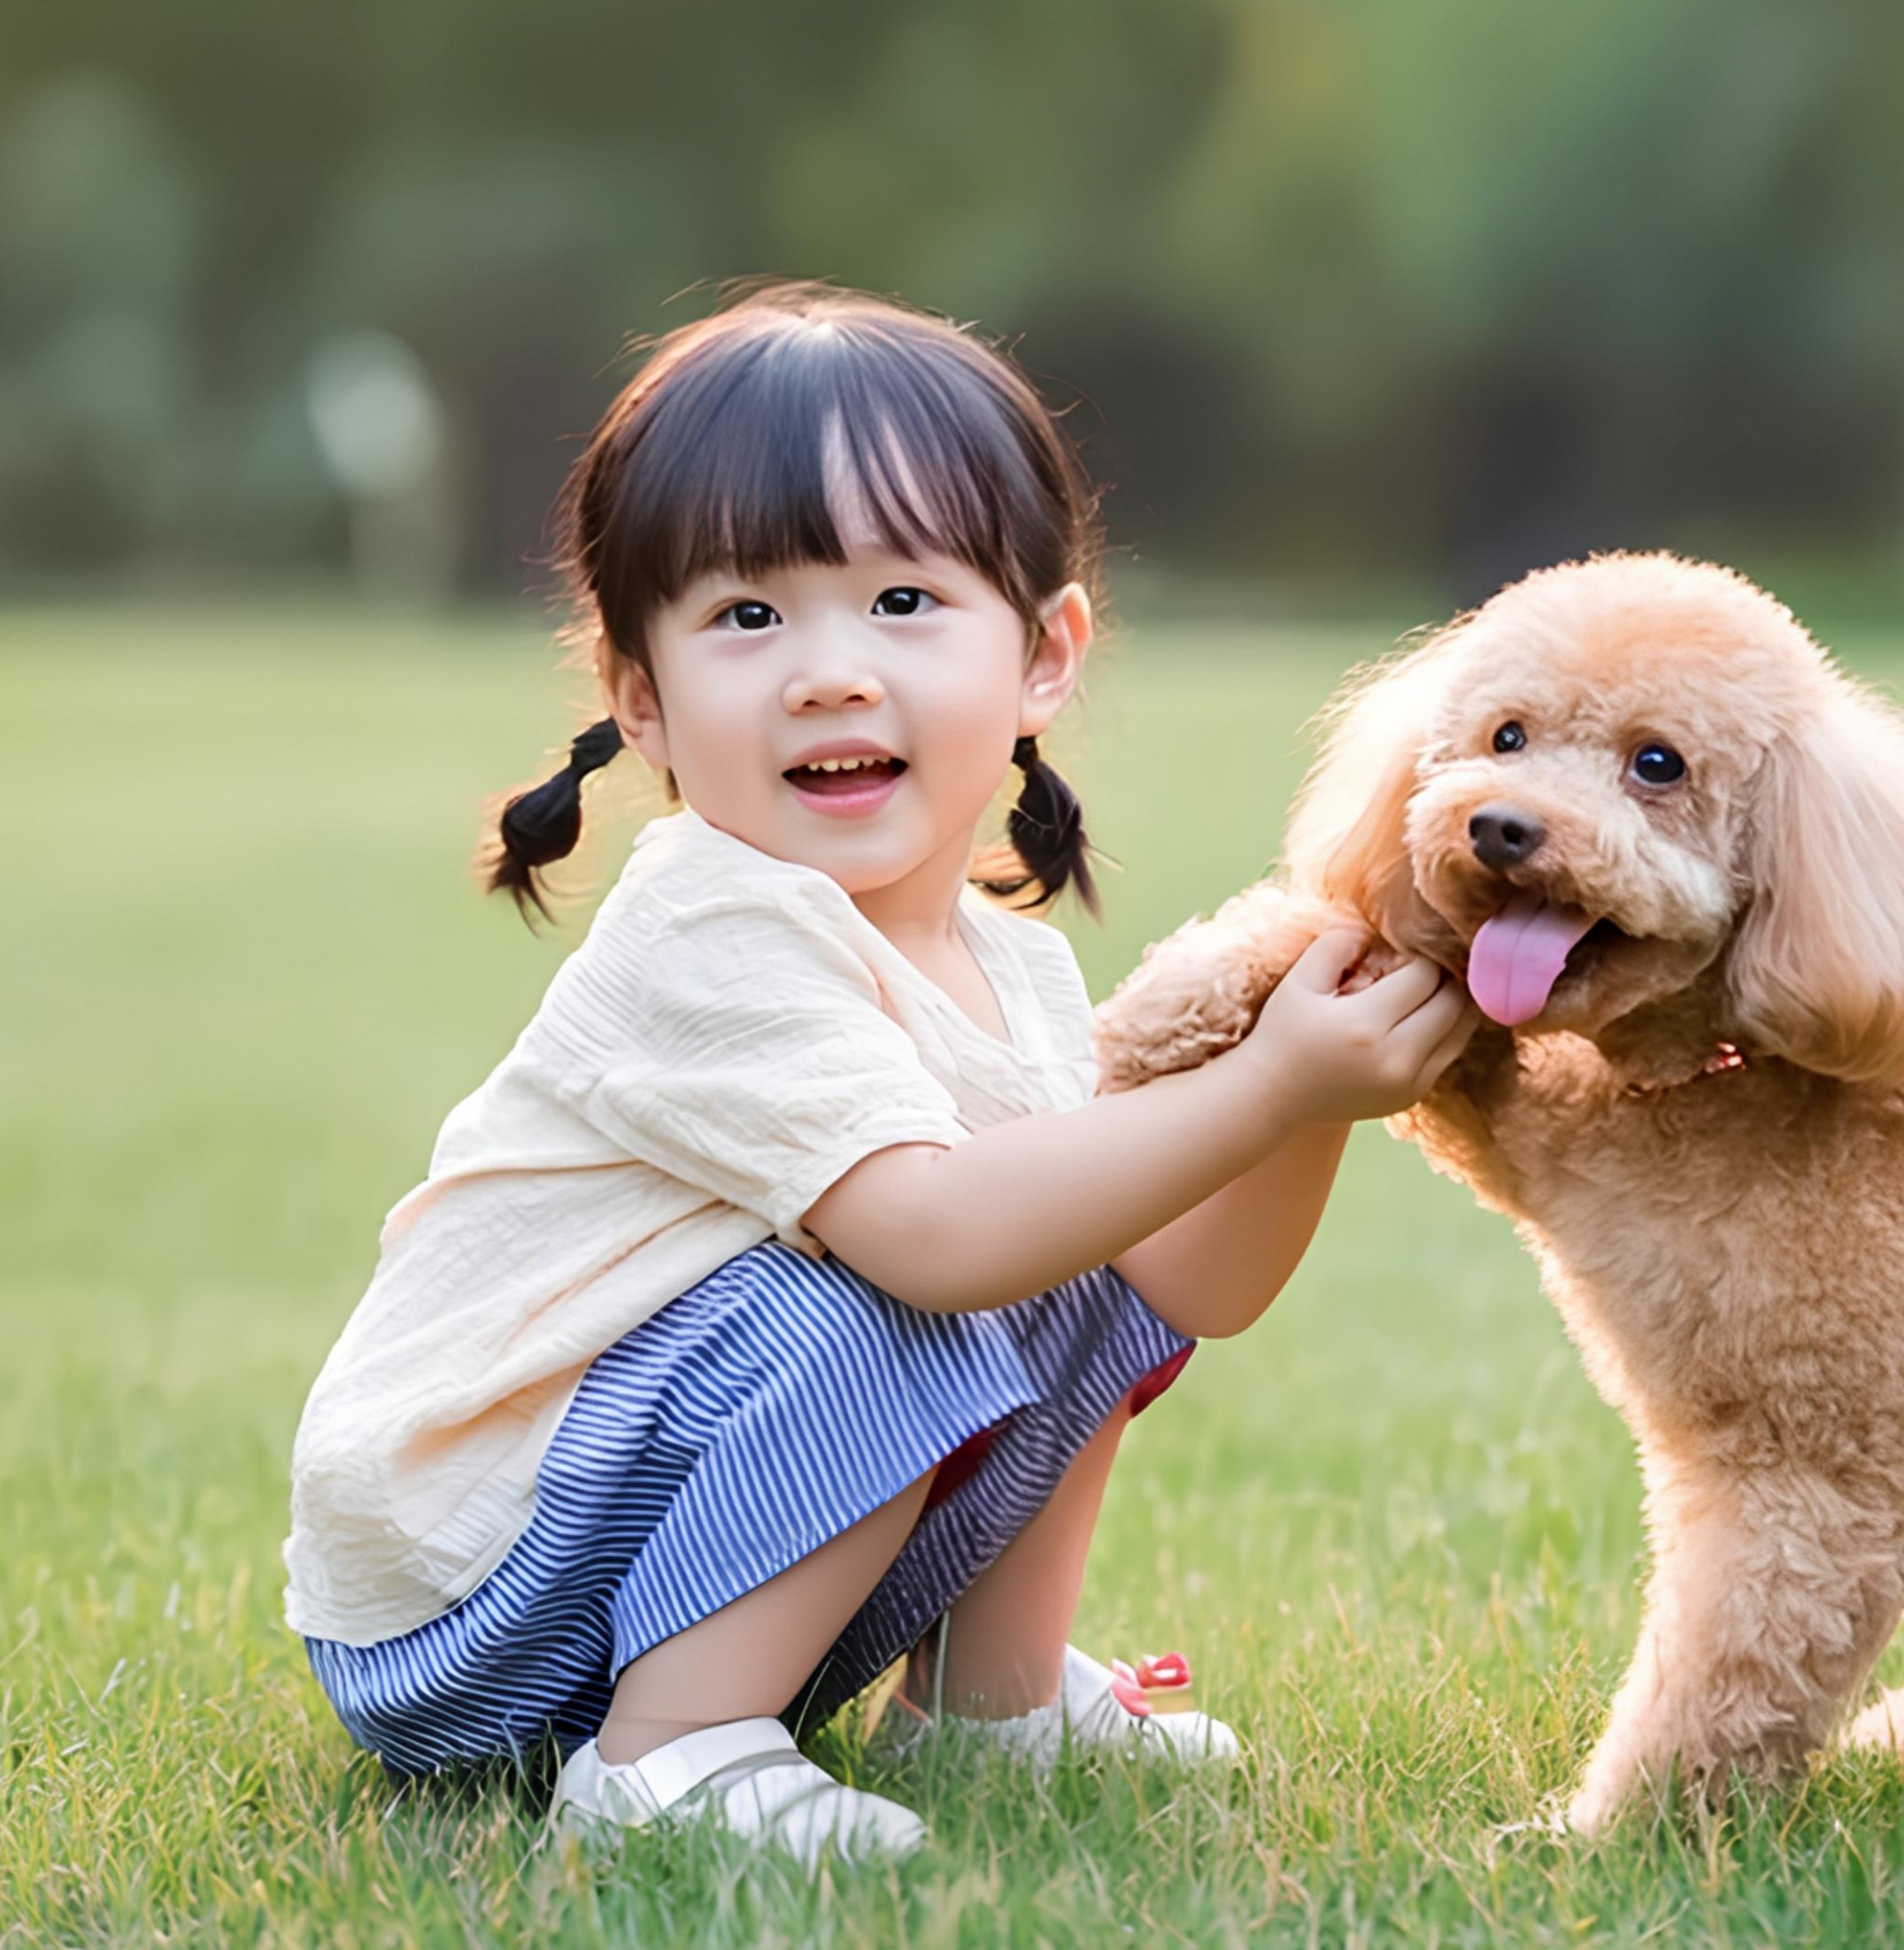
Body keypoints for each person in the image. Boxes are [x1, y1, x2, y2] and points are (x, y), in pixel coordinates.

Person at [282, 282, 1472, 1866]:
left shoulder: (1012, 967)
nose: (829, 672)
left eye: (903, 600)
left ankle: (991, 1700)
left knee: (1076, 1240)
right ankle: (670, 1755)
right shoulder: (711, 927)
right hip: (469, 1604)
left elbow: (1183, 1280)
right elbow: (932, 1237)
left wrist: (1303, 1098)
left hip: (627, 1559)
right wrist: (1253, 1093)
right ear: (641, 697)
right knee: (905, 1272)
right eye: (748, 616)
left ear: (1043, 655)